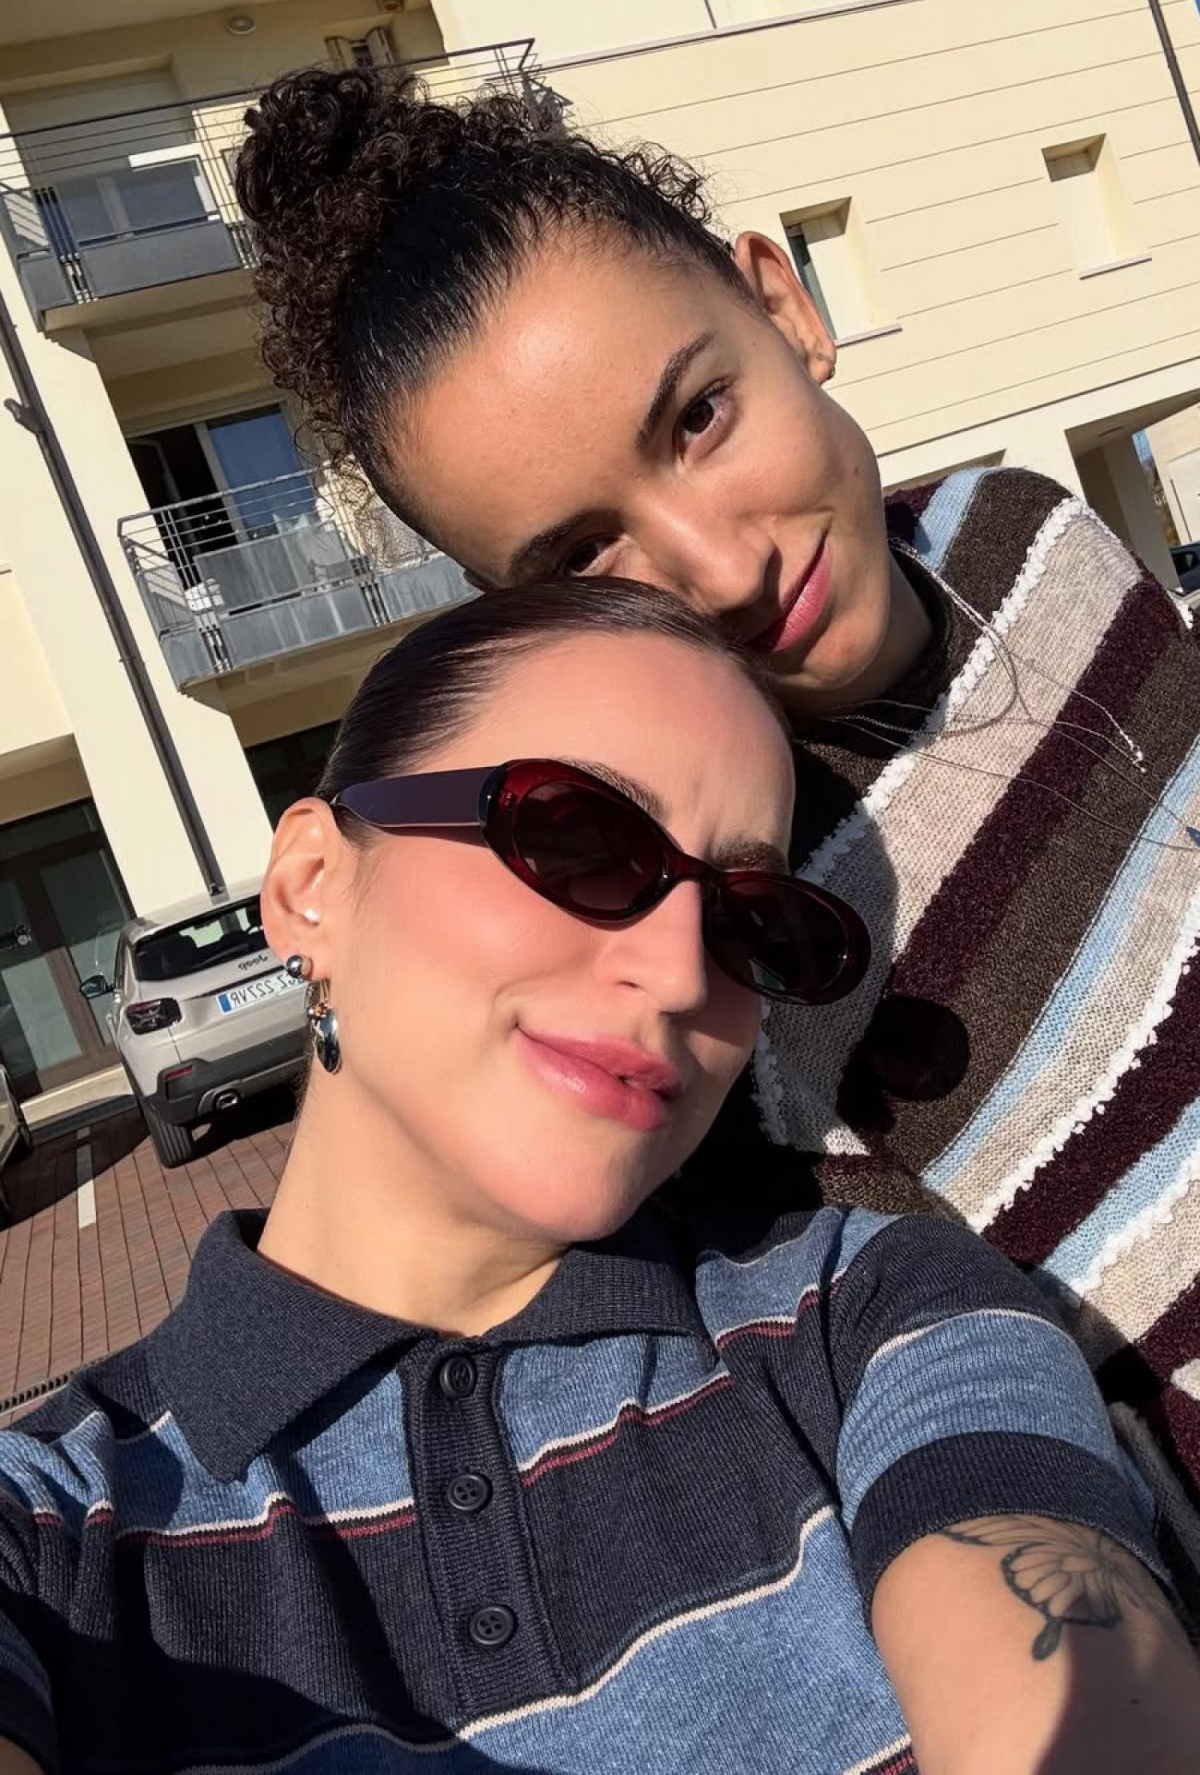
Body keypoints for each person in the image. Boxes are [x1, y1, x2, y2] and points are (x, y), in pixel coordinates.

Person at [233, 66, 1200, 1567]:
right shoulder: (697, 930)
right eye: (585, 553)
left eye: (698, 416)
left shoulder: (1029, 530)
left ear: (783, 302)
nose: (721, 564)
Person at [0, 579, 1197, 1773]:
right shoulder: (49, 1531)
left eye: (750, 921)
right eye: (574, 839)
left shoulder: (869, 1317)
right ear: (312, 885)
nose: (679, 975)